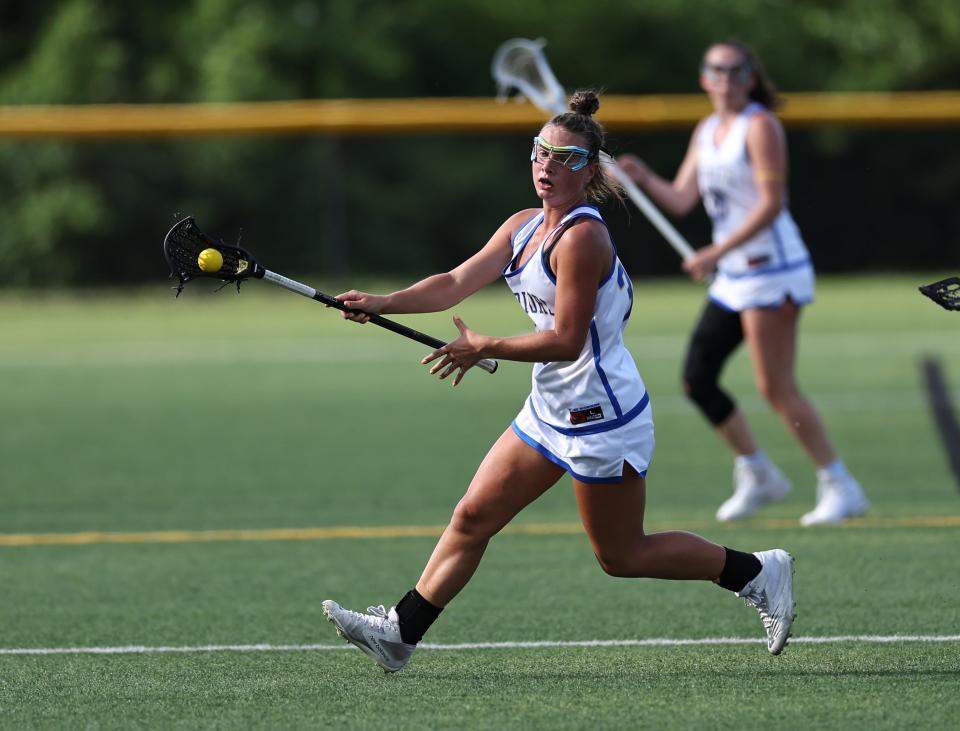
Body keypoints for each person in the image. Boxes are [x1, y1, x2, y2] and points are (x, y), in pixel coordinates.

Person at [321, 90, 795, 673]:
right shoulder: (523, 227)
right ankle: (401, 633)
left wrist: (485, 346)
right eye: (540, 152)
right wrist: (383, 302)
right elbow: (454, 281)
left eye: (565, 158)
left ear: (590, 171)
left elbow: (567, 339)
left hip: (603, 417)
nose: (547, 166)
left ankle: (757, 571)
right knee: (473, 516)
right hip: (549, 408)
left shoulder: (582, 239)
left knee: (622, 555)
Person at [617, 40, 869, 526]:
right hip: (734, 277)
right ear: (703, 79)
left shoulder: (760, 126)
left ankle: (840, 483)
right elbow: (681, 199)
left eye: (736, 71)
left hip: (771, 272)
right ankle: (757, 471)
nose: (726, 79)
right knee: (697, 378)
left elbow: (771, 203)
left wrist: (715, 250)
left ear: (751, 77)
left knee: (775, 387)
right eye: (717, 71)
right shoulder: (708, 129)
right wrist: (644, 177)